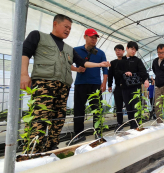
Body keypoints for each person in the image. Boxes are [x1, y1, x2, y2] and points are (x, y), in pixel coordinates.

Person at [20, 14, 110, 152]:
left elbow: (83, 63)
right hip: (45, 84)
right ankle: (33, 150)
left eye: (70, 28)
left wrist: (99, 64)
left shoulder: (69, 49)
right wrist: (24, 74)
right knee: (40, 117)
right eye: (66, 27)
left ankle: (51, 147)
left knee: (58, 118)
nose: (68, 30)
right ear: (55, 24)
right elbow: (25, 52)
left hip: (63, 87)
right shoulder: (38, 36)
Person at [66, 29, 109, 145]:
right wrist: (77, 69)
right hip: (80, 84)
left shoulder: (100, 53)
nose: (94, 40)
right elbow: (67, 64)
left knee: (97, 109)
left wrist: (104, 83)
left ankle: (98, 132)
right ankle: (78, 134)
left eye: (95, 38)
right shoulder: (76, 50)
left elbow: (105, 69)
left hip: (95, 84)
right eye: (91, 37)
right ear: (85, 37)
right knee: (79, 109)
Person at [117, 41, 149, 129]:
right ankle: (132, 125)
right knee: (128, 107)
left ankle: (137, 125)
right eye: (132, 49)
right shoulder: (121, 61)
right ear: (127, 48)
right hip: (125, 88)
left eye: (135, 50)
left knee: (136, 106)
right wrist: (124, 72)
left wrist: (146, 79)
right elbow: (117, 72)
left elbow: (143, 71)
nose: (133, 51)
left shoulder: (137, 61)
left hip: (135, 87)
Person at [108, 44, 125, 131]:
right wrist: (109, 85)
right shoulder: (113, 63)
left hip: (127, 87)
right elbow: (110, 75)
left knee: (129, 105)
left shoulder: (127, 60)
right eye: (116, 50)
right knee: (118, 106)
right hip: (118, 86)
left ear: (123, 51)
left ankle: (133, 122)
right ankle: (119, 123)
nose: (118, 51)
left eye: (119, 50)